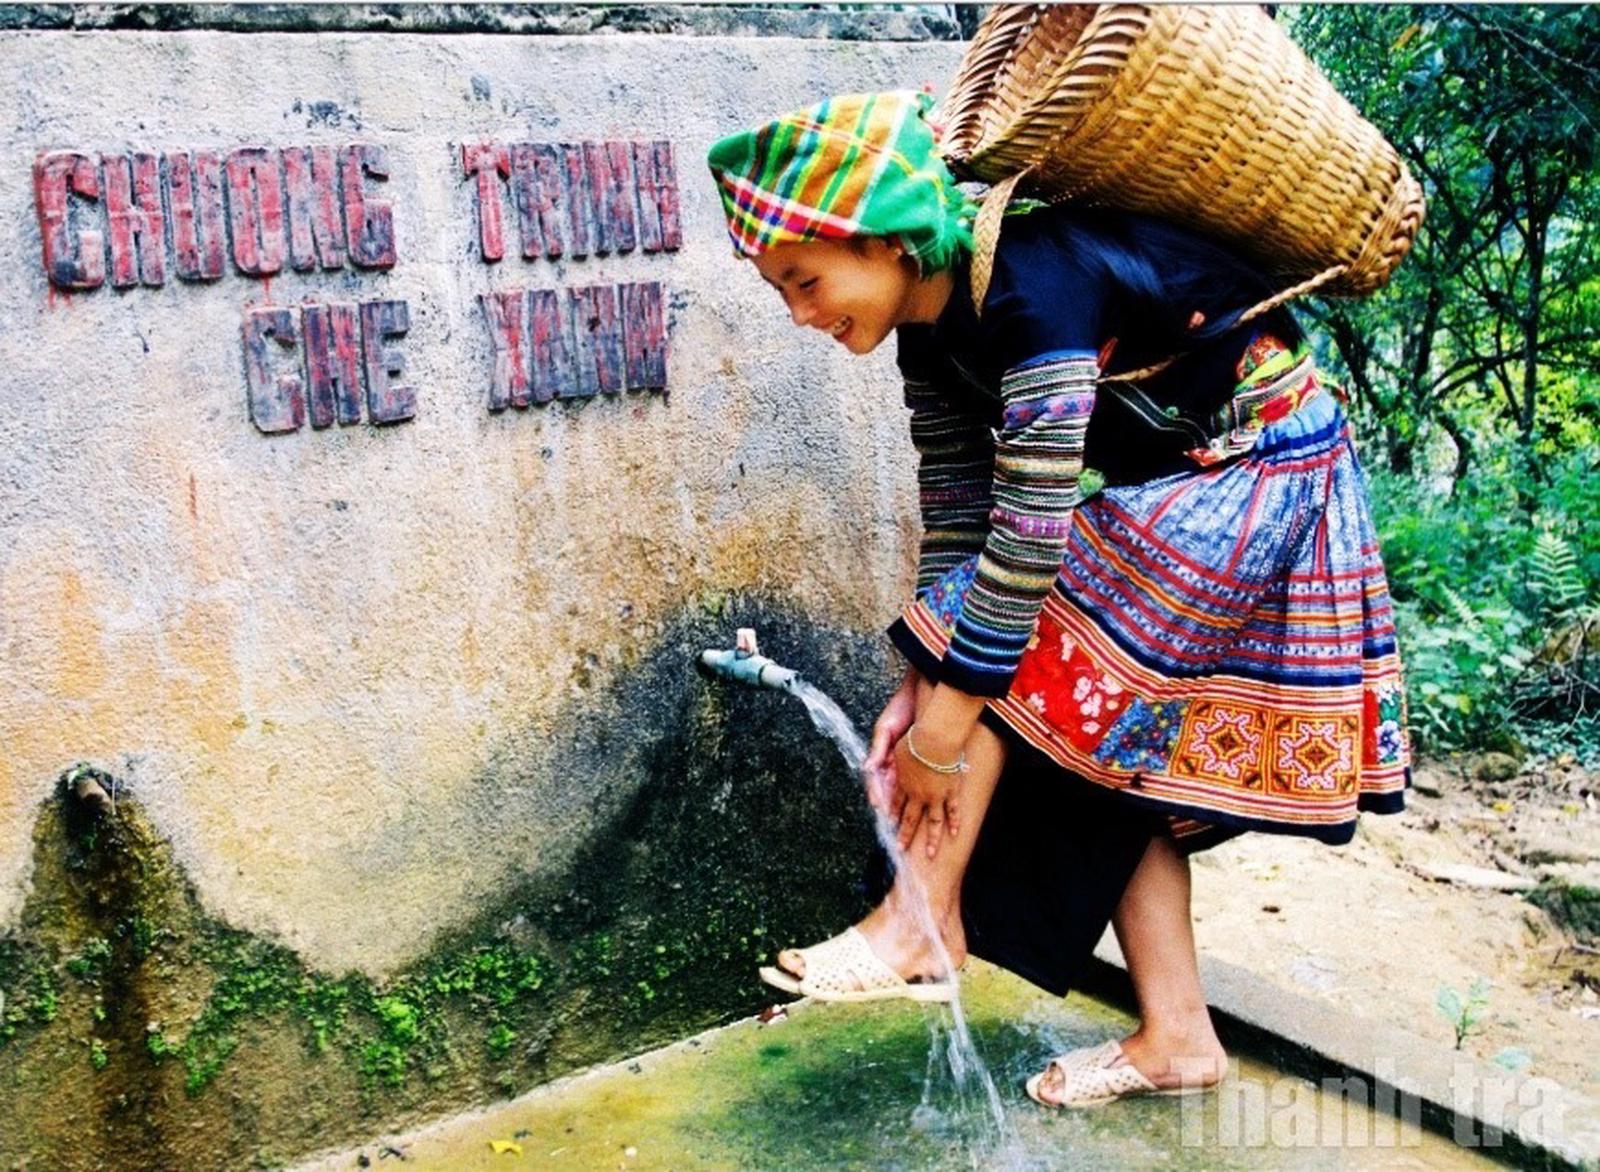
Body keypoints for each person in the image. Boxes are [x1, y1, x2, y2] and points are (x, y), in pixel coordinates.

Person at [705, 91, 1410, 1108]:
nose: (802, 315)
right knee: (1103, 761)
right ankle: (1179, 1036)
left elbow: (1029, 538)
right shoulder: (927, 336)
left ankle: (920, 918)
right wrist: (918, 684)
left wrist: (940, 733)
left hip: (1263, 467)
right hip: (1180, 479)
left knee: (1024, 654)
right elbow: (960, 519)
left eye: (806, 280)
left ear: (887, 241)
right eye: (783, 292)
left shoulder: (1034, 286)